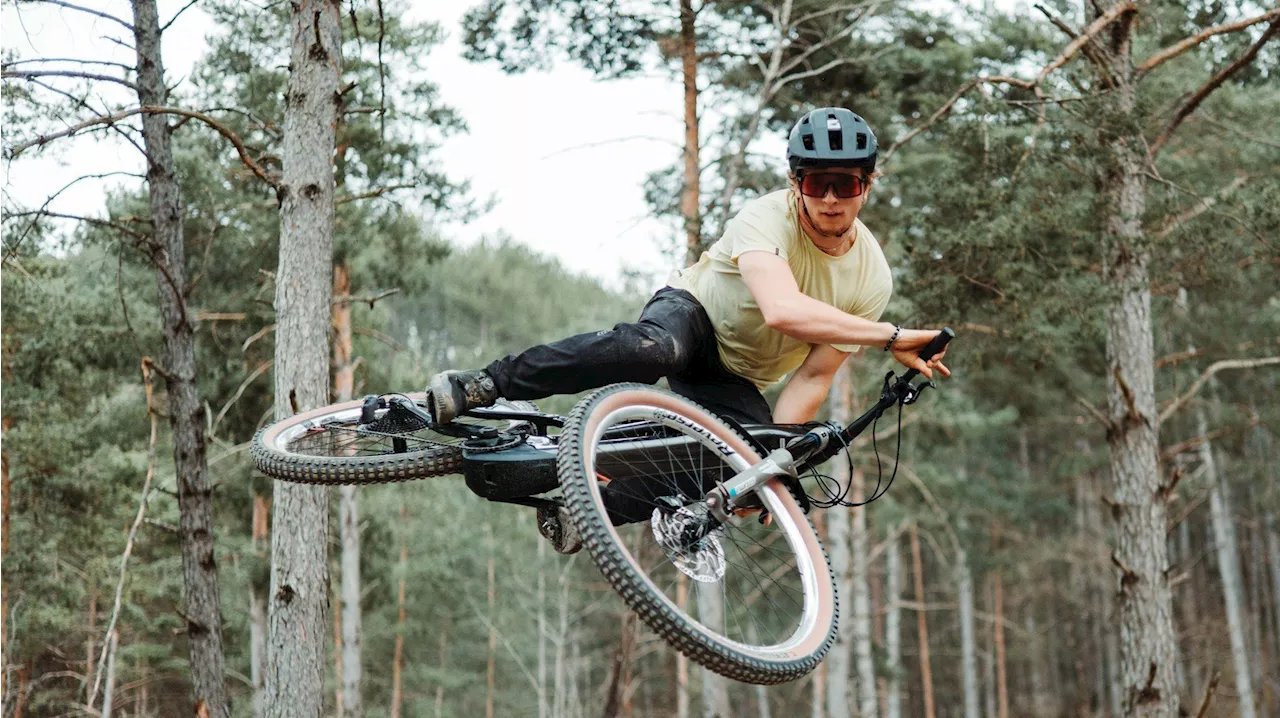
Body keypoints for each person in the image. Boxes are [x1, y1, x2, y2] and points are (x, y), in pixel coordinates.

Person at [425, 107, 950, 553]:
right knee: (657, 350)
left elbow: (813, 378)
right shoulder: (767, 217)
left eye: (846, 184)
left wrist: (771, 465)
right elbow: (782, 310)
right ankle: (488, 383)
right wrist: (887, 336)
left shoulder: (871, 276)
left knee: (744, 462)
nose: (830, 199)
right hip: (694, 315)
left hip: (734, 374)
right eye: (817, 183)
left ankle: (589, 513)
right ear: (796, 183)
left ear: (868, 184)